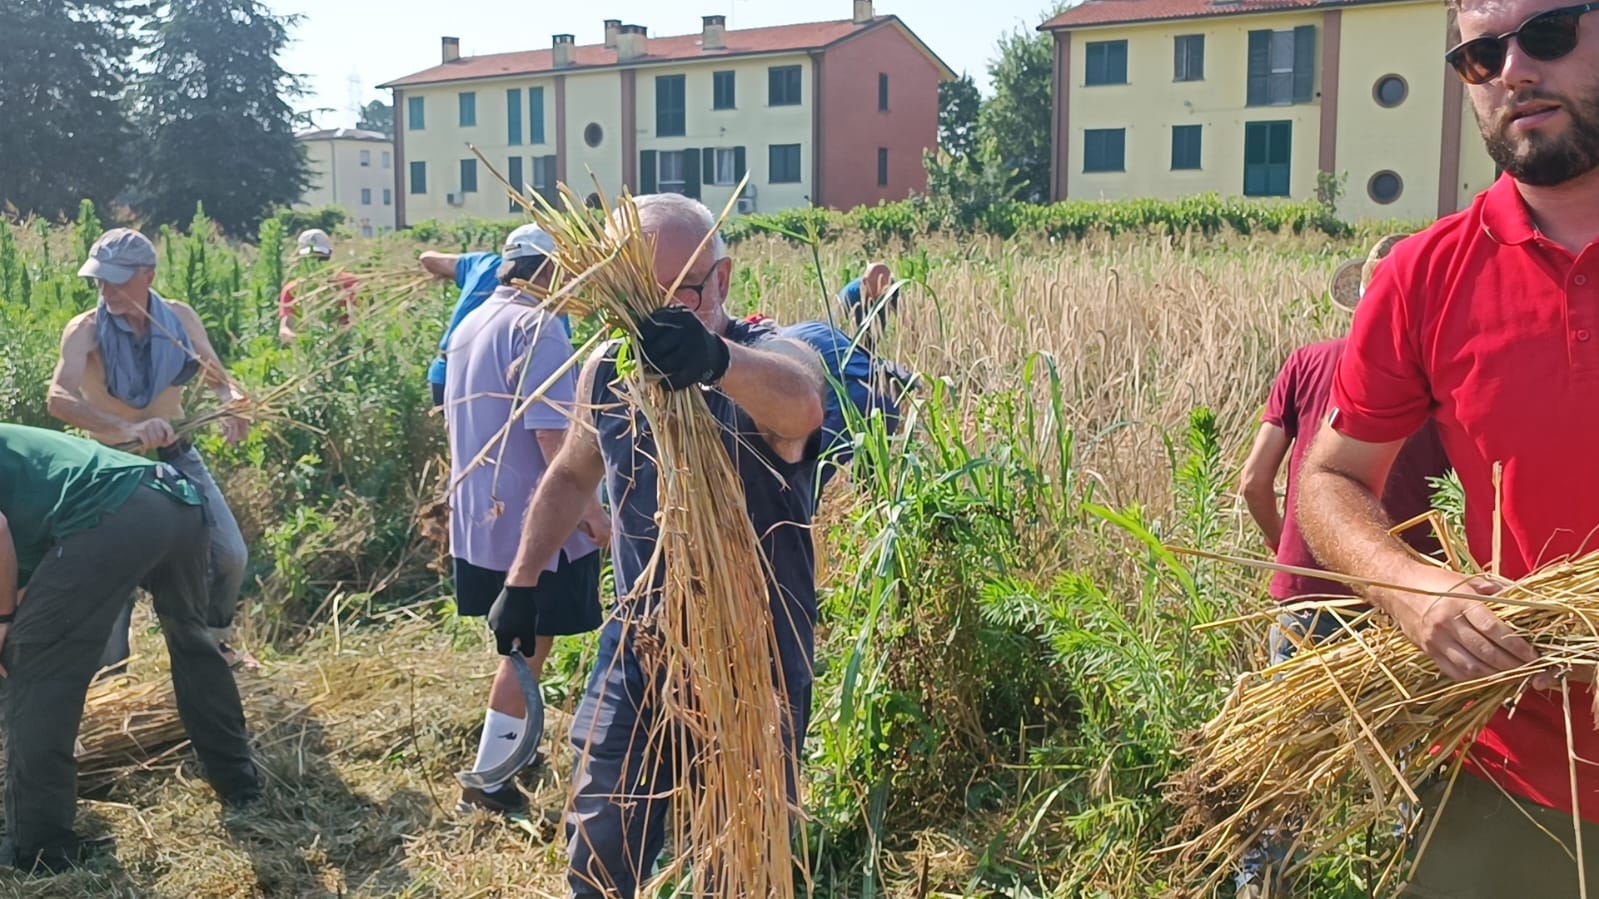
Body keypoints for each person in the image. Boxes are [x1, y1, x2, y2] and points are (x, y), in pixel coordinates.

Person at [1296, 0, 1599, 890]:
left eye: (1544, 34)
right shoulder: (1424, 275)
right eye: (1478, 56)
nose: (1511, 71)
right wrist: (1412, 592)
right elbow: (1330, 478)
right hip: (1511, 776)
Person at [502, 193, 825, 897]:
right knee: (598, 833)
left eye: (682, 289)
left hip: (757, 655)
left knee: (738, 861)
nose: (662, 312)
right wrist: (521, 581)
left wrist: (712, 358)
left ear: (723, 279)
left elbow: (801, 406)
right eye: (644, 292)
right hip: (640, 643)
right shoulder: (610, 374)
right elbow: (570, 472)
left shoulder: (763, 357)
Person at [1233, 235, 1450, 897]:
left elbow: (1251, 483)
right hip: (1407, 602)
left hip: (1306, 600)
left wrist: (1296, 558)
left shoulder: (1305, 363)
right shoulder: (1446, 377)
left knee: (1284, 758)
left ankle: (1259, 884)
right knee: (1411, 761)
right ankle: (1395, 881)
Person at [0, 424, 259, 875]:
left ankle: (42, 849)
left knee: (36, 667)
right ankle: (240, 784)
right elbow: (31, 577)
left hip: (116, 509)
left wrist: (3, 625)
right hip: (173, 498)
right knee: (192, 644)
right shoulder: (23, 465)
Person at [443, 224, 610, 815]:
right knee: (527, 651)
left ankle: (507, 748)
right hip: (530, 530)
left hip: (479, 523)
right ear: (548, 272)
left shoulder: (472, 322)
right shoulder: (538, 327)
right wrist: (591, 512)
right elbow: (553, 439)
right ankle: (488, 781)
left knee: (519, 648)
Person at [47, 228, 256, 673]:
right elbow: (58, 398)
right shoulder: (85, 330)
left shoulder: (178, 318)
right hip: (113, 463)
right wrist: (127, 427)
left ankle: (214, 647)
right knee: (115, 574)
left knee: (229, 555)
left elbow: (219, 379)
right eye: (99, 280)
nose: (106, 290)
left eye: (118, 280)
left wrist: (234, 403)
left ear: (149, 275)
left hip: (176, 453)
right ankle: (111, 676)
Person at [421, 244, 514, 408]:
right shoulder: (546, 287)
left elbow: (427, 258)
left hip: (445, 376)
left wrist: (457, 274)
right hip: (490, 385)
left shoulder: (483, 264)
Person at [278, 229, 359, 344]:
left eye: (321, 258)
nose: (316, 263)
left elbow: (359, 320)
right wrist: (298, 339)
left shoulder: (349, 283)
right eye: (311, 258)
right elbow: (285, 327)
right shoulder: (292, 290)